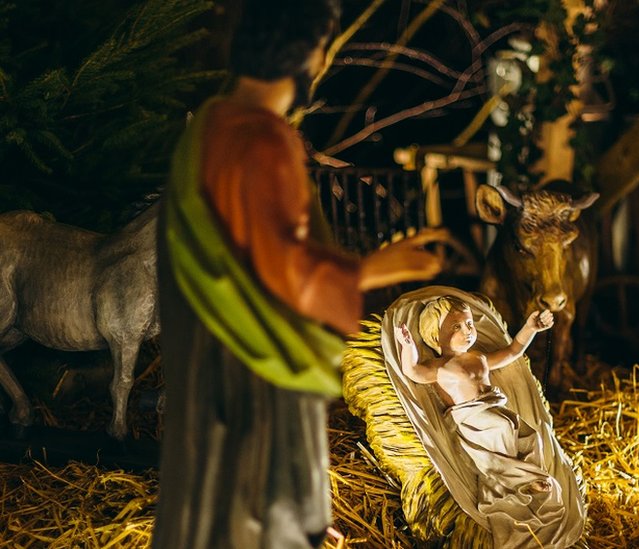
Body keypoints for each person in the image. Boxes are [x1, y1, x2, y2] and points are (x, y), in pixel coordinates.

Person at [153, 1, 450, 547]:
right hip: (260, 357)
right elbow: (281, 266)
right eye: (320, 47)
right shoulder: (263, 140)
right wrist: (376, 267)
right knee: (267, 493)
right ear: (301, 53)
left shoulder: (210, 124)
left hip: (210, 350)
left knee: (224, 489)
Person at [394, 296, 568, 548]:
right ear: (435, 336)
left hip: (494, 407)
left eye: (469, 324)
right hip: (469, 418)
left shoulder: (478, 357)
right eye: (456, 327)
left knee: (531, 435)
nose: (467, 332)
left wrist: (530, 328)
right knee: (501, 429)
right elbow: (412, 372)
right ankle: (512, 482)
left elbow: (512, 351)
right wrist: (407, 345)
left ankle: (529, 478)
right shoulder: (439, 366)